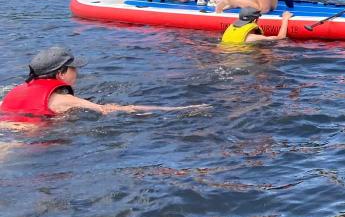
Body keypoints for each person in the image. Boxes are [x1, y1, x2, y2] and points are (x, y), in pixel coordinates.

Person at [0, 47, 203, 122]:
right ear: (60, 73)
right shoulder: (63, 100)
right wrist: (178, 109)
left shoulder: (15, 91)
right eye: (73, 68)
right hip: (18, 145)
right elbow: (109, 110)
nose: (77, 72)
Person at [220, 8, 293, 44]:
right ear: (255, 21)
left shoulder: (229, 31)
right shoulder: (253, 37)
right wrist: (285, 19)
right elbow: (280, 38)